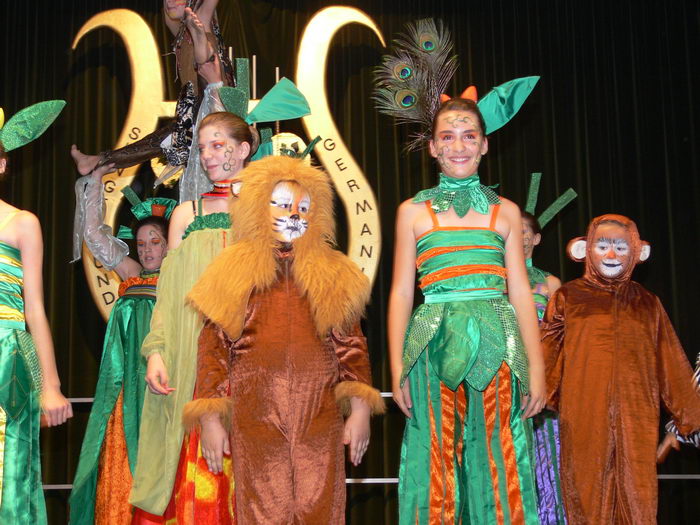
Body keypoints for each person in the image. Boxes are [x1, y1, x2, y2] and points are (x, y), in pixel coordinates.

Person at [184, 155, 384, 523]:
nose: (293, 213)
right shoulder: (232, 270)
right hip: (255, 413)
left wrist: (359, 410)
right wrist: (211, 419)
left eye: (303, 206)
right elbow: (213, 350)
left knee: (320, 504)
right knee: (261, 507)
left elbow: (351, 347)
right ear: (258, 207)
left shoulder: (334, 273)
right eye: (280, 203)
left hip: (319, 415)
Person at [388, 96, 544, 524]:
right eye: (448, 137)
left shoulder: (506, 213)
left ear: (485, 145)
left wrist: (537, 370)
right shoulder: (411, 212)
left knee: (502, 453)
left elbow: (521, 297)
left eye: (469, 136)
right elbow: (402, 292)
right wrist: (397, 367)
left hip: (499, 342)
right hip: (432, 343)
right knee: (433, 452)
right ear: (433, 148)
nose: (459, 145)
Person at [129, 110, 258, 523]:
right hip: (191, 358)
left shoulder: (270, 210)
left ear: (244, 149)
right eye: (202, 147)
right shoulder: (187, 215)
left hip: (251, 356)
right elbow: (169, 296)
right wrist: (157, 351)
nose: (206, 155)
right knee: (196, 484)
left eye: (218, 145)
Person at [541, 214, 700, 524]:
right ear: (584, 250)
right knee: (586, 490)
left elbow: (670, 359)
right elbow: (548, 349)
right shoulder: (567, 297)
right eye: (602, 246)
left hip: (637, 412)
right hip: (584, 409)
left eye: (620, 247)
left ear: (637, 253)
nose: (611, 255)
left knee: (637, 491)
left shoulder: (648, 303)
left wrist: (690, 414)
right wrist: (539, 393)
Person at [69, 163, 175, 525]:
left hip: (166, 387)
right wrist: (95, 183)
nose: (146, 250)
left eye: (155, 243)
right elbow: (95, 238)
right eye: (141, 244)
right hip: (124, 386)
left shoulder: (182, 279)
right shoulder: (130, 274)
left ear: (170, 244)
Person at [0, 140, 72, 524]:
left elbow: (36, 309)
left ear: (1, 165)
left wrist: (51, 384)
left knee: (10, 474)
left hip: (7, 361)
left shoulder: (22, 222)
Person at [521, 210, 566, 525]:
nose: (520, 235)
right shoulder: (491, 278)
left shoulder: (550, 283)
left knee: (547, 460)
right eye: (514, 229)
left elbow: (560, 336)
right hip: (501, 377)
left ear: (536, 239)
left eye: (527, 231)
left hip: (542, 378)